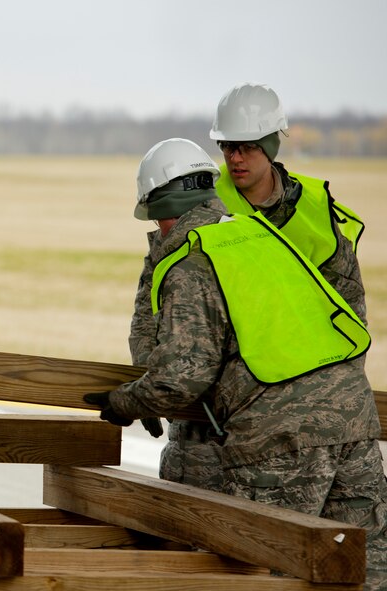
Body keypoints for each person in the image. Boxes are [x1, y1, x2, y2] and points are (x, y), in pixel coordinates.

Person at [86, 138, 387, 587]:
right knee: (364, 573)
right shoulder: (262, 236)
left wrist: (126, 402)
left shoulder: (193, 259)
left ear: (161, 207)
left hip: (281, 439)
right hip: (354, 424)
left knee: (265, 573)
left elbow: (181, 379)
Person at [131, 82, 368, 492]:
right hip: (205, 414)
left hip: (283, 411)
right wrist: (150, 381)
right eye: (226, 146)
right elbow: (154, 303)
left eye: (247, 146)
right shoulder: (197, 195)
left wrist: (323, 402)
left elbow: (347, 313)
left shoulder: (315, 215)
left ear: (273, 143)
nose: (235, 158)